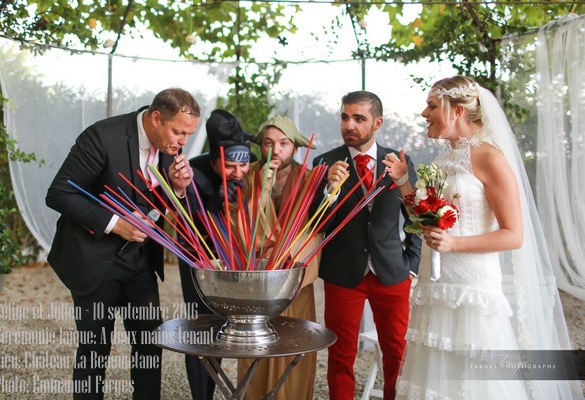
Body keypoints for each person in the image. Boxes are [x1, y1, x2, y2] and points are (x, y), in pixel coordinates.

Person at [386, 75, 583, 399]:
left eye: (432, 106)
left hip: (472, 289)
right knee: (436, 378)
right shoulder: (443, 160)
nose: (424, 113)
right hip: (436, 284)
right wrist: (405, 182)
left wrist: (454, 244)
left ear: (458, 110)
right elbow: (426, 222)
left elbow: (513, 235)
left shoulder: (490, 157)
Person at [46, 87, 200, 399]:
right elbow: (60, 193)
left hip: (141, 262)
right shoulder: (102, 137)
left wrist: (176, 187)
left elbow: (155, 206)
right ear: (156, 118)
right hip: (94, 259)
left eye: (188, 134)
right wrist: (116, 224)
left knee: (149, 347)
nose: (183, 142)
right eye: (179, 132)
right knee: (94, 351)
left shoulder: (170, 149)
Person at [311, 91, 422, 400]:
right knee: (340, 356)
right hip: (343, 274)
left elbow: (415, 215)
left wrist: (411, 265)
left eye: (359, 118)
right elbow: (314, 224)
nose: (350, 125)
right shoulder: (324, 162)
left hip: (392, 273)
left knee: (396, 353)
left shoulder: (399, 161)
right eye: (345, 117)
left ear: (377, 122)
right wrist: (328, 192)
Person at [235, 115, 320, 399]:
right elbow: (239, 223)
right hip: (257, 278)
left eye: (284, 143)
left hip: (294, 277)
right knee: (255, 346)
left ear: (295, 148)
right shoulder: (248, 176)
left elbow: (319, 224)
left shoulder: (309, 179)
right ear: (260, 146)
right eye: (268, 143)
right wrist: (261, 190)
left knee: (294, 342)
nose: (276, 150)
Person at [177, 108, 254, 400]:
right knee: (200, 329)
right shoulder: (192, 175)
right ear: (213, 160)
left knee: (221, 327)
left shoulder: (244, 175)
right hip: (197, 261)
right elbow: (188, 221)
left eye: (242, 167)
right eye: (230, 167)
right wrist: (213, 203)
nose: (238, 174)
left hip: (233, 262)